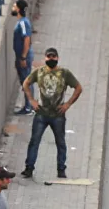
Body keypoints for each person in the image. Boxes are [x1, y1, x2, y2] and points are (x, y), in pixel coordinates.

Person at [22, 48, 82, 179]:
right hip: (41, 113)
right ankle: (29, 168)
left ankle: (61, 169)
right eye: (48, 57)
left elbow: (78, 88)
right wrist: (32, 100)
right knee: (34, 141)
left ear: (57, 58)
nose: (51, 59)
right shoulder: (39, 72)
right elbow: (26, 83)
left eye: (53, 57)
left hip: (58, 115)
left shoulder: (64, 73)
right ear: (45, 58)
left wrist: (67, 104)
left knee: (60, 143)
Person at [10, 0, 34, 114]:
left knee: (26, 81)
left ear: (18, 9)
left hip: (24, 56)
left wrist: (23, 57)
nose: (13, 8)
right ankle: (29, 105)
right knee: (24, 80)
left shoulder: (23, 23)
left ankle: (29, 107)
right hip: (21, 56)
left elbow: (27, 38)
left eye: (14, 6)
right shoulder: (21, 22)